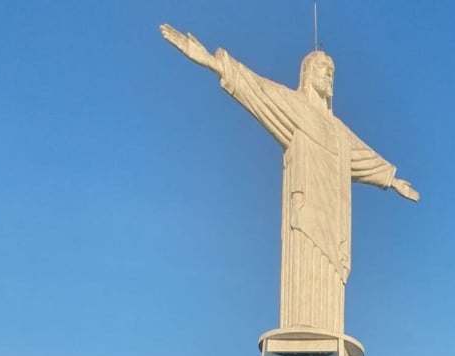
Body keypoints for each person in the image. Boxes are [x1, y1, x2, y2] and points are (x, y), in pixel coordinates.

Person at [160, 24, 419, 334]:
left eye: (333, 70)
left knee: (330, 282)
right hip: (305, 214)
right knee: (304, 273)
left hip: (333, 222)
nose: (329, 74)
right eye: (323, 67)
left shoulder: (338, 133)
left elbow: (362, 155)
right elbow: (255, 89)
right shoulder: (292, 106)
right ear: (307, 71)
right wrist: (213, 63)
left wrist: (392, 179)